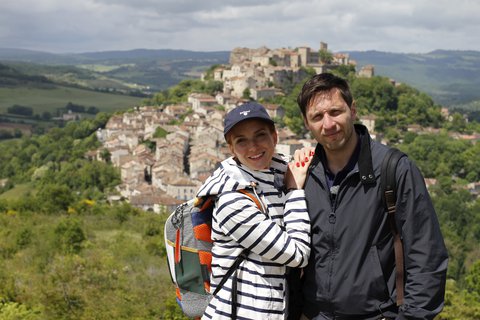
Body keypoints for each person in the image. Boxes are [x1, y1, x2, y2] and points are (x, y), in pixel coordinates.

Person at [293, 73, 448, 319]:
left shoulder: (394, 168)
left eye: (335, 112)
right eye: (317, 117)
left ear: (353, 110)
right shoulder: (303, 175)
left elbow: (427, 257)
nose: (328, 124)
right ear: (306, 123)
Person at [197, 102, 313, 320]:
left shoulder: (277, 172)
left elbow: (297, 164)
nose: (253, 147)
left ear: (274, 137)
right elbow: (297, 255)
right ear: (231, 149)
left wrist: (307, 157)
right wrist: (295, 190)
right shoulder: (231, 200)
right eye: (241, 141)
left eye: (260, 136)